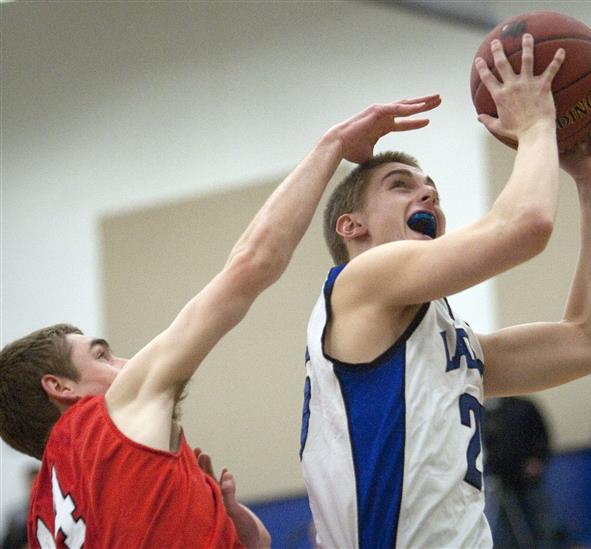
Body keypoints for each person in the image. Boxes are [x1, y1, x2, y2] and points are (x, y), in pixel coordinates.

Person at [0, 95, 439, 548]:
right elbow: (252, 264)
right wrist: (332, 145)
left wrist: (228, 524)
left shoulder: (43, 521)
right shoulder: (107, 420)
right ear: (61, 388)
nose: (126, 362)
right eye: (101, 355)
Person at [300, 34, 591, 548]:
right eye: (400, 185)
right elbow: (526, 225)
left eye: (431, 187)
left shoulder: (447, 347)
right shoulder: (359, 284)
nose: (428, 192)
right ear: (351, 226)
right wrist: (539, 122)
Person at [483, 397, 555, 549]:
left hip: (528, 478)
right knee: (509, 530)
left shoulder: (524, 407)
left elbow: (542, 434)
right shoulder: (486, 412)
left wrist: (538, 459)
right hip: (502, 480)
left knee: (542, 525)